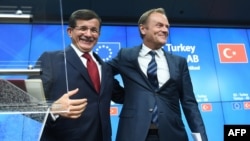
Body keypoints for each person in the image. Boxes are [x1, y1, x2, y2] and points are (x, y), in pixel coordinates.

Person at [108, 8, 208, 141]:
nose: (165, 30)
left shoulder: (179, 62)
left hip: (172, 134)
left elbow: (189, 103)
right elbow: (104, 72)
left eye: (167, 26)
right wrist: (123, 96)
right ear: (143, 29)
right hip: (132, 133)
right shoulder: (126, 56)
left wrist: (201, 138)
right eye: (159, 25)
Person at [30, 9, 123, 141]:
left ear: (99, 34)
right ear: (70, 32)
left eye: (94, 30)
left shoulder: (105, 68)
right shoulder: (50, 59)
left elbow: (122, 96)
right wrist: (52, 109)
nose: (88, 34)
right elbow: (27, 102)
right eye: (83, 28)